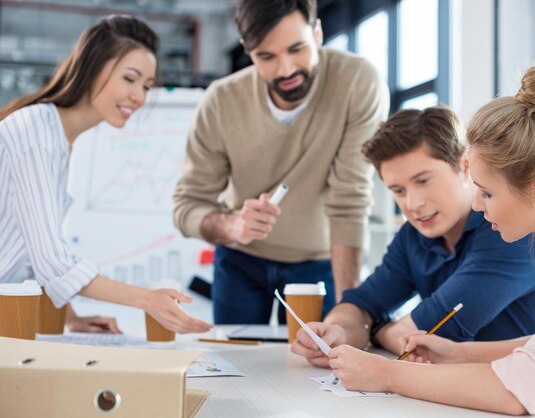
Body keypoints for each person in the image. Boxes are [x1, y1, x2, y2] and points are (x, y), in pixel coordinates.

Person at [327, 64, 535, 415]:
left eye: (486, 193)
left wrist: (388, 374)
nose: (476, 204)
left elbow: (522, 389)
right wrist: (457, 353)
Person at [173, 0, 389, 324]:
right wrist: (233, 226)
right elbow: (186, 207)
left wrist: (352, 315)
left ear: (317, 33)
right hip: (241, 260)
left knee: (326, 362)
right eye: (266, 56)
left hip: (322, 261)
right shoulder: (220, 101)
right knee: (238, 367)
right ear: (247, 49)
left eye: (296, 48)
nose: (285, 70)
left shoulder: (358, 83)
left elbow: (350, 200)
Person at [291, 106, 535, 367]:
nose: (413, 203)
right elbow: (361, 303)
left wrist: (375, 328)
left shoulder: (513, 229)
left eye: (423, 181)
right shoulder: (414, 236)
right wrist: (338, 331)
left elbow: (432, 338)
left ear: (465, 166)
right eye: (398, 190)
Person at [0, 15, 212, 335]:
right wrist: (146, 300)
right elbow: (52, 261)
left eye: (146, 86)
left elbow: (33, 254)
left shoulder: (57, 140)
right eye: (130, 79)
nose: (139, 97)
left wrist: (71, 316)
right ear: (93, 67)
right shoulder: (36, 133)